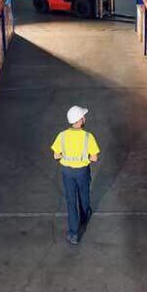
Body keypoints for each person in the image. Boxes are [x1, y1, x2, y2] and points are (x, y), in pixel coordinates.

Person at [51, 105, 100, 245]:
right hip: (82, 172)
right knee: (83, 195)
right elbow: (95, 158)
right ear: (79, 121)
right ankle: (84, 218)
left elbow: (56, 155)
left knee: (71, 201)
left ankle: (73, 233)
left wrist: (66, 157)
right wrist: (84, 158)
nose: (85, 118)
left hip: (67, 172)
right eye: (83, 117)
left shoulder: (62, 135)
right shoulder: (87, 137)